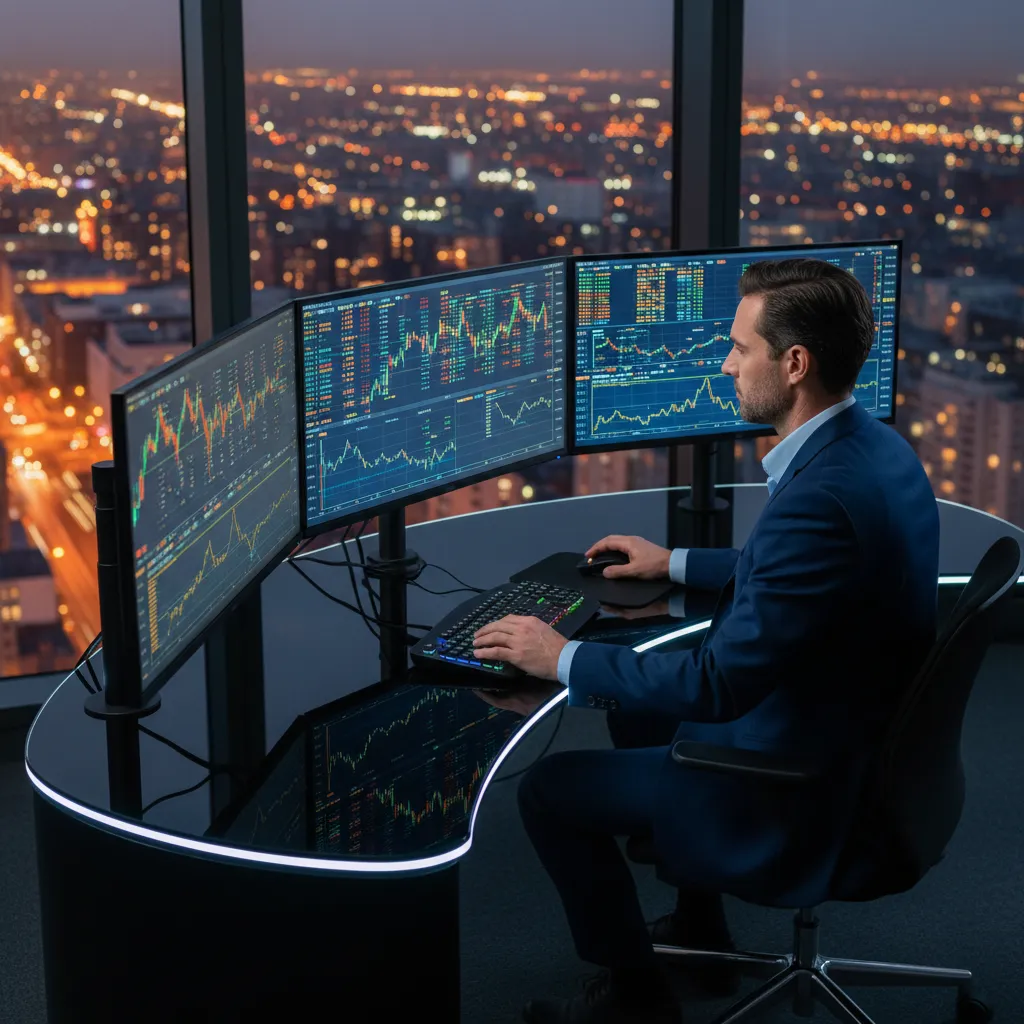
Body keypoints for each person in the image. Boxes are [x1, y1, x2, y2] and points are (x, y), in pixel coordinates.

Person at [473, 258, 940, 1024]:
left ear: (793, 365)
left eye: (739, 347)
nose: (725, 364)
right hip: (855, 729)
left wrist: (559, 658)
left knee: (551, 792)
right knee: (636, 709)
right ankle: (700, 926)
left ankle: (635, 998)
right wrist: (675, 562)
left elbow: (720, 686)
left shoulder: (818, 497)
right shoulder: (872, 449)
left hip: (796, 774)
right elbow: (812, 575)